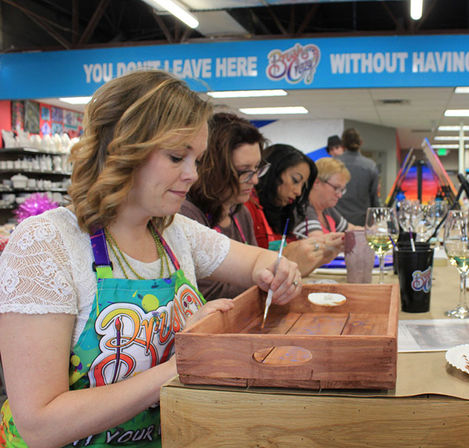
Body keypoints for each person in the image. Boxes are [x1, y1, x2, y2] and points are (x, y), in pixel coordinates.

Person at [0, 70, 302, 448]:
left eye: (198, 158)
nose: (192, 175)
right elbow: (40, 424)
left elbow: (256, 261)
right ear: (122, 149)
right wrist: (180, 365)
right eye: (177, 156)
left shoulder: (173, 232)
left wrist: (276, 269)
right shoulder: (47, 245)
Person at [180, 112, 268, 301]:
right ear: (213, 168)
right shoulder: (186, 215)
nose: (255, 180)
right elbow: (208, 294)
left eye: (257, 168)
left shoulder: (240, 211)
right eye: (244, 171)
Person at [245, 143, 343, 275]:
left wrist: (323, 256)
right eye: (295, 180)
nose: (298, 192)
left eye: (303, 186)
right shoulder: (248, 208)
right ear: (273, 172)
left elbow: (295, 268)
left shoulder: (284, 212)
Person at [293, 157, 362, 240]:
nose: (339, 195)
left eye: (342, 190)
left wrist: (375, 231)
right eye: (336, 188)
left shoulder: (326, 209)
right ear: (316, 182)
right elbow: (318, 242)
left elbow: (351, 230)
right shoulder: (302, 208)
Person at [335, 127, 380, 226]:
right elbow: (374, 198)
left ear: (342, 144)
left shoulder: (334, 163)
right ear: (361, 142)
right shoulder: (370, 165)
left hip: (336, 220)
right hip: (362, 221)